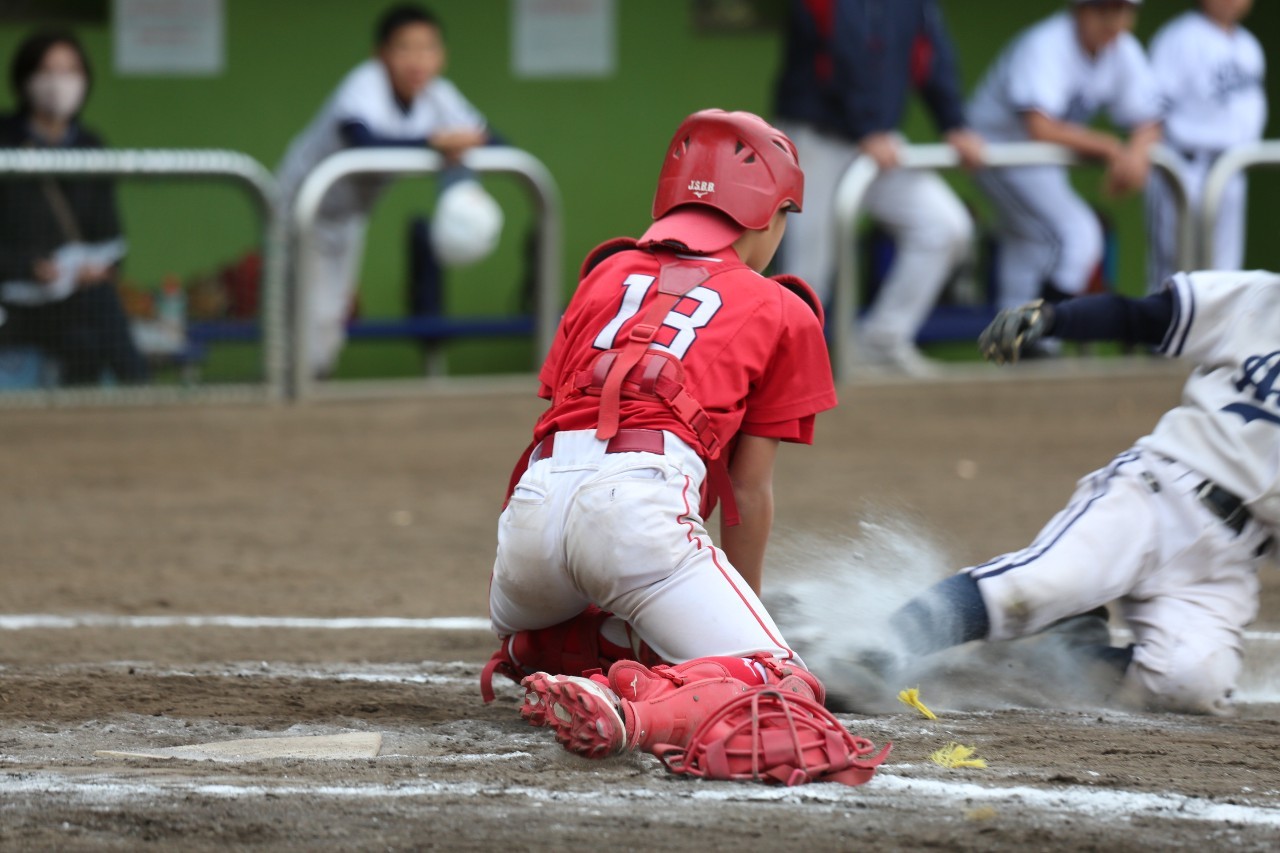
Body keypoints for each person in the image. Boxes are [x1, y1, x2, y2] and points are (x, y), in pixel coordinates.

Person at [482, 110, 888, 785]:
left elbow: (561, 411)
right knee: (783, 688)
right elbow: (748, 494)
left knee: (624, 600)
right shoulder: (782, 307)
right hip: (634, 515)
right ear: (762, 216)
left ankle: (543, 649)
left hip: (525, 540)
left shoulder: (604, 271)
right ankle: (629, 715)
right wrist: (744, 613)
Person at [863, 274, 1278, 716]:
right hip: (1160, 490)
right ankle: (872, 650)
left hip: (1230, 559)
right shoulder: (1259, 299)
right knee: (1037, 585)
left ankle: (1060, 651)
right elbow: (1140, 316)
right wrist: (1055, 318)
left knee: (1192, 683)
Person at [276, 3, 496, 377]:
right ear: (381, 54)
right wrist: (434, 143)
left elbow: (490, 137)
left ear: (441, 56)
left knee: (329, 325)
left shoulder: (438, 94)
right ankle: (280, 411)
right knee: (298, 328)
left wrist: (461, 142)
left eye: (427, 48)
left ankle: (306, 406)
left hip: (348, 218)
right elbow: (362, 140)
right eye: (404, 47)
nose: (416, 59)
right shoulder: (366, 82)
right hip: (298, 211)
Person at [772, 0, 983, 377]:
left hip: (876, 142)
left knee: (945, 226)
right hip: (817, 136)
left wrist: (954, 122)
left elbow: (930, 55)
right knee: (808, 272)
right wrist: (866, 125)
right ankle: (785, 376)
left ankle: (880, 345)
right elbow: (836, 56)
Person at [966, 0, 1162, 313]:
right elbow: (1039, 127)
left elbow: (1150, 121)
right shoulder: (1046, 44)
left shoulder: (1122, 49)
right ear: (1080, 9)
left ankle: (1014, 345)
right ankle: (1041, 335)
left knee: (1030, 244)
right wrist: (1112, 147)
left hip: (1040, 161)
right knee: (1076, 235)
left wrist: (1135, 155)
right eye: (1104, 10)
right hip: (998, 150)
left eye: (1124, 11)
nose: (1115, 21)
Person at [0, 30, 147, 387]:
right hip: (11, 300)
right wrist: (31, 267)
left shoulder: (90, 147)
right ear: (25, 78)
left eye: (70, 71)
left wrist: (95, 268)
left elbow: (110, 236)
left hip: (67, 301)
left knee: (94, 325)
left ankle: (144, 399)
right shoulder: (4, 141)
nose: (58, 83)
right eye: (48, 71)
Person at [1145, 0, 1265, 291]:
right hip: (1184, 168)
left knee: (1225, 277)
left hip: (1232, 169)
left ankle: (1212, 339)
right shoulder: (1179, 38)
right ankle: (1163, 338)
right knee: (1173, 277)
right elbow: (1151, 109)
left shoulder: (1249, 46)